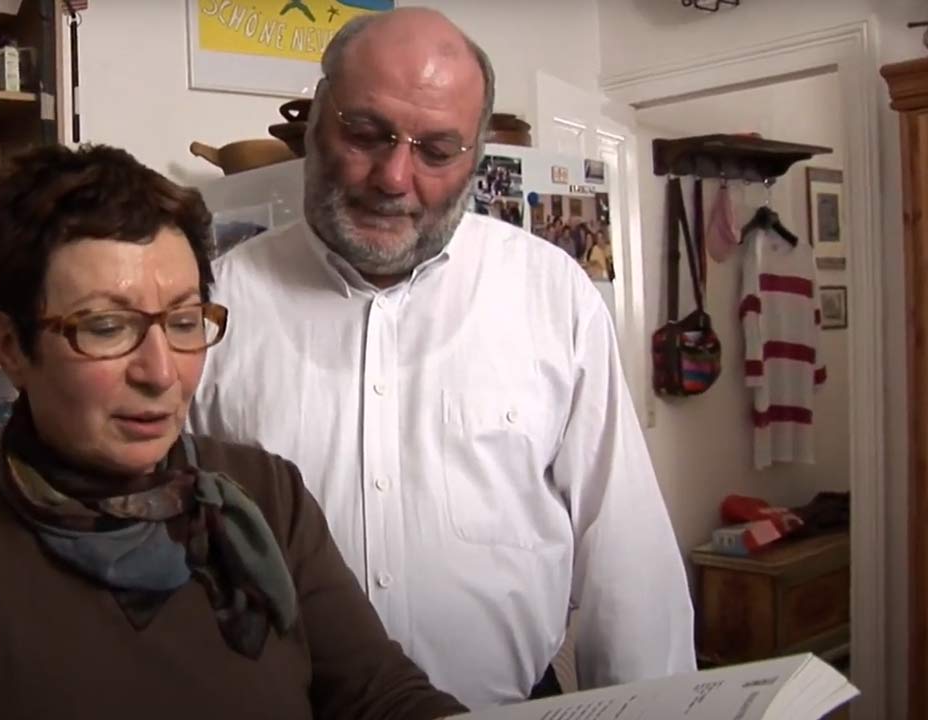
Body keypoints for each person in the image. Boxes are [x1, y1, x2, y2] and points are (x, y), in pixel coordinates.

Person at [0, 144, 468, 720]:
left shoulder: (265, 493)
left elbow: (379, 695)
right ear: (11, 345)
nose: (162, 372)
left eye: (185, 321)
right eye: (107, 327)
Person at [187, 7, 695, 710]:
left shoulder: (554, 295)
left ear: (477, 158)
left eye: (436, 150)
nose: (394, 177)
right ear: (313, 123)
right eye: (366, 133)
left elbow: (627, 561)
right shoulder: (212, 308)